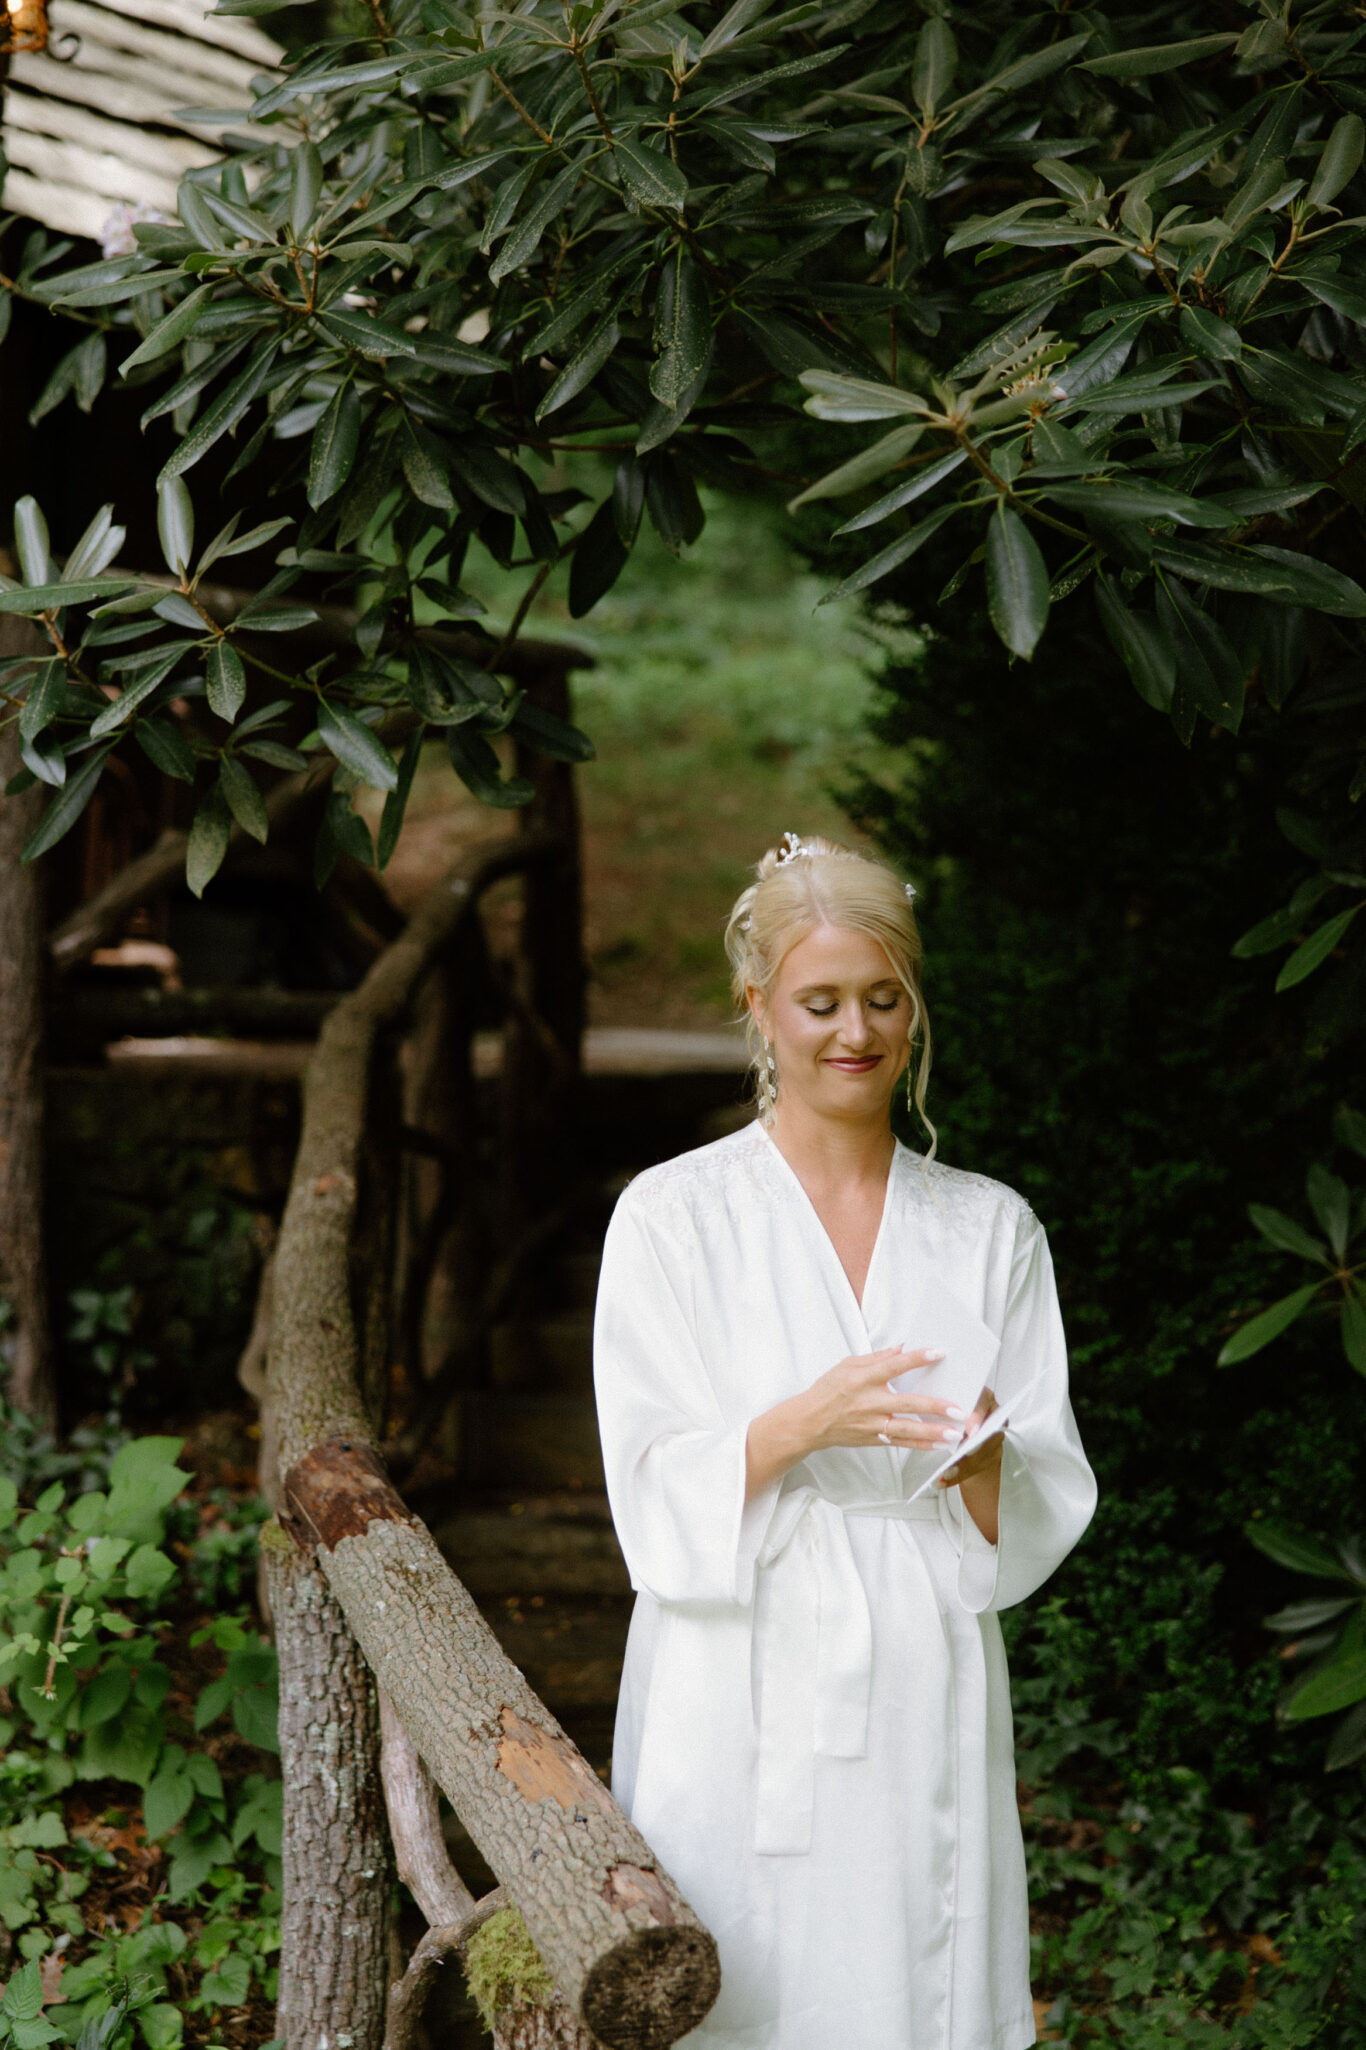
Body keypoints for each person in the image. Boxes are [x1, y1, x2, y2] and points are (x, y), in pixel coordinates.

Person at [593, 832, 1097, 2050]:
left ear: (914, 1010)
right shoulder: (672, 1216)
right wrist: (796, 1425)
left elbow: (1028, 1506)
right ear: (757, 1005)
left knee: (907, 1976)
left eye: (882, 999)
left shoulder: (989, 1228)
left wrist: (982, 1456)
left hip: (920, 1653)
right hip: (736, 1666)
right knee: (738, 1972)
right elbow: (650, 1481)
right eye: (819, 1002)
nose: (853, 1032)